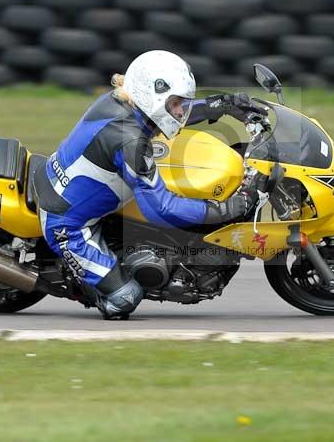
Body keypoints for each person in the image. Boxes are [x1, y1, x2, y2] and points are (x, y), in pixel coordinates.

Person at [33, 50, 259, 319]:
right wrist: (225, 210)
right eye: (176, 103)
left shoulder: (123, 102)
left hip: (78, 192)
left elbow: (170, 116)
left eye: (182, 103)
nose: (180, 111)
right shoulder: (130, 141)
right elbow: (160, 208)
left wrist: (222, 105)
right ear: (153, 96)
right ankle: (90, 288)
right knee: (126, 297)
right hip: (67, 224)